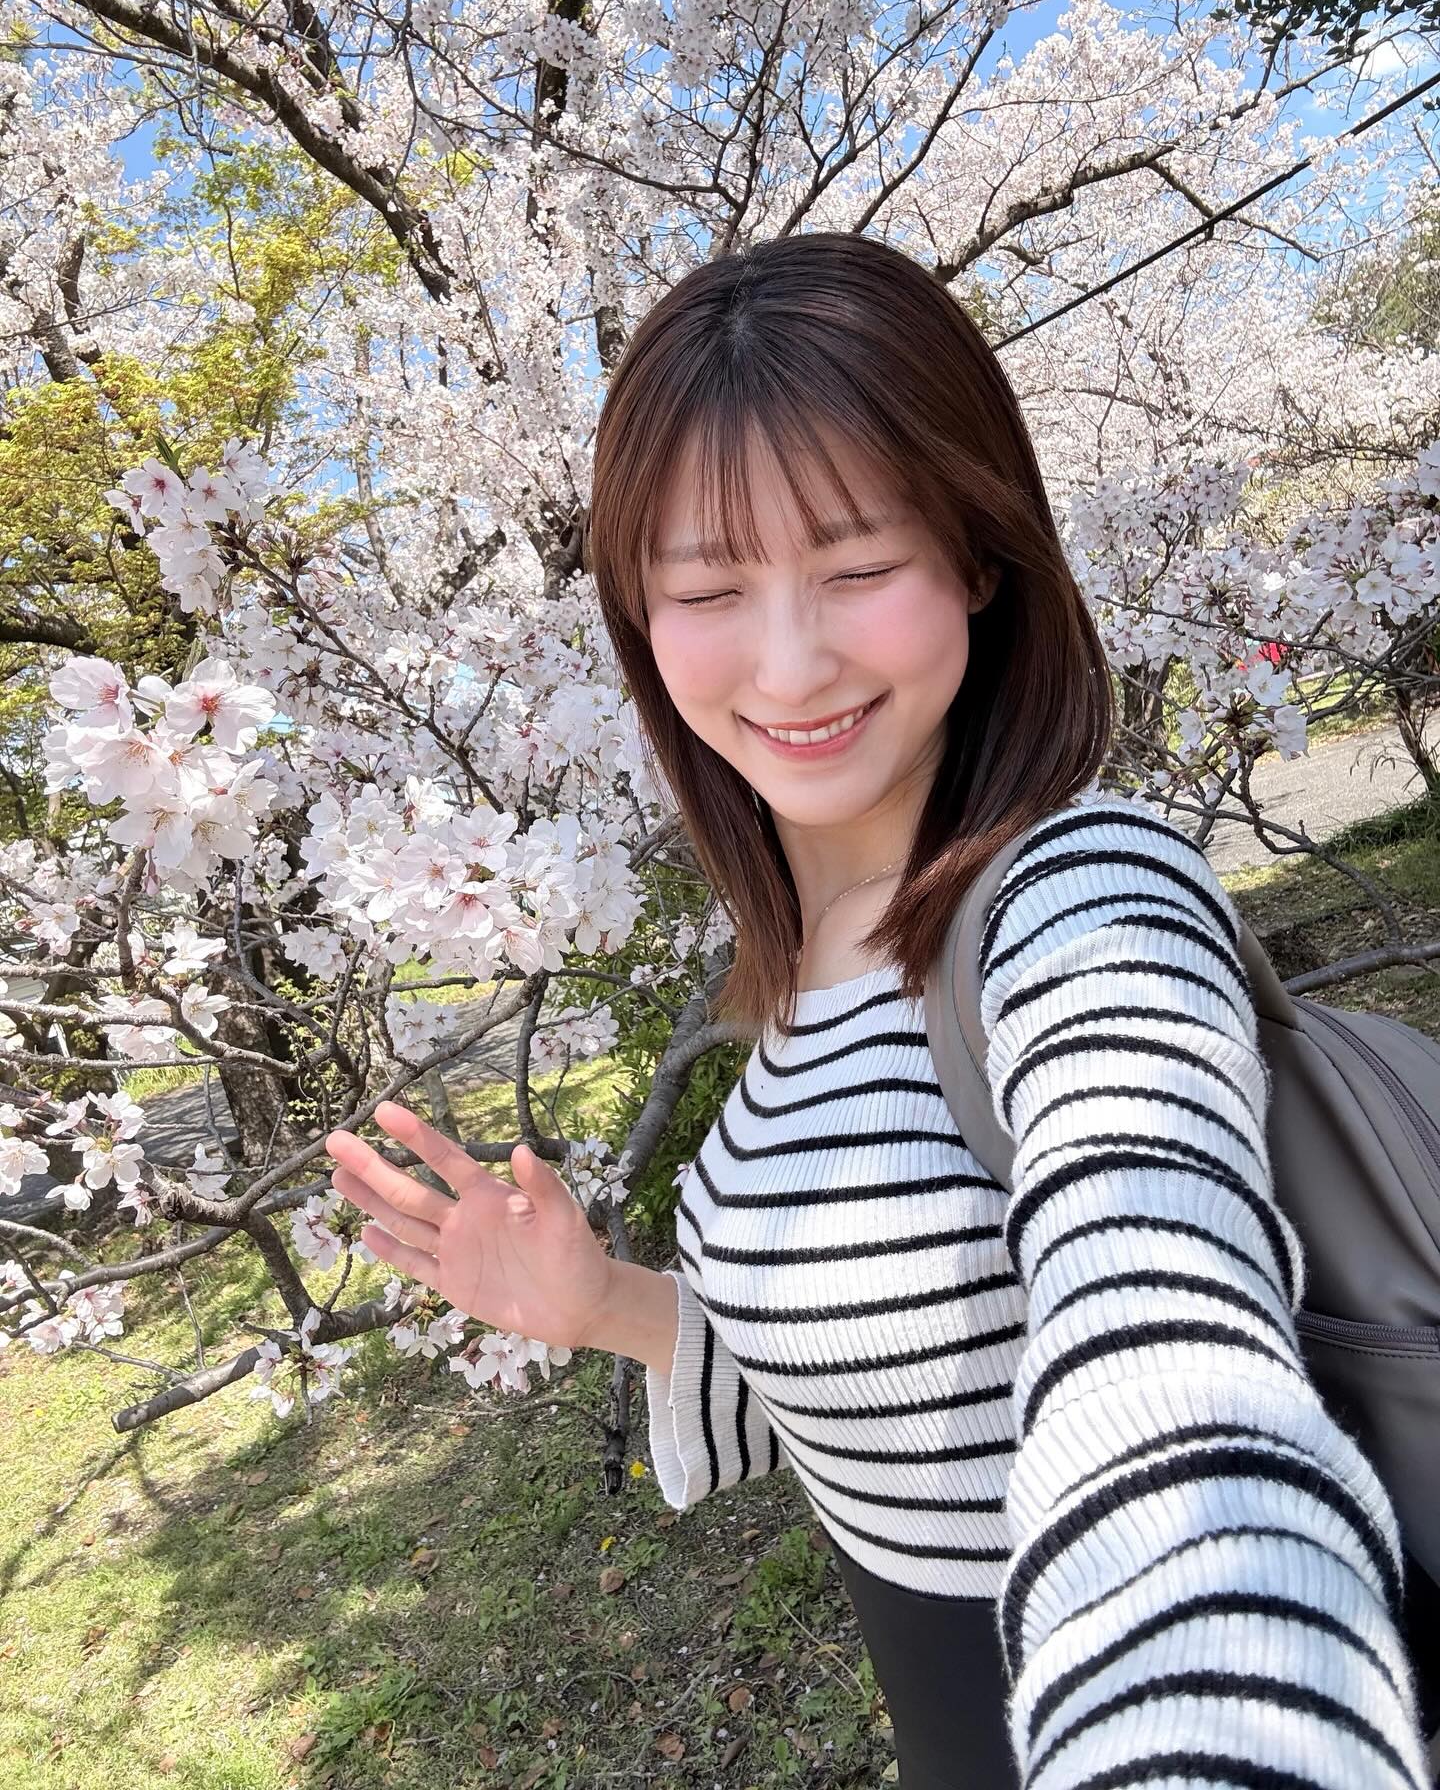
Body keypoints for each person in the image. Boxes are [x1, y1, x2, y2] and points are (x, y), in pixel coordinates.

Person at [324, 232, 1436, 1788]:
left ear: (978, 556)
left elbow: (1163, 1311)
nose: (791, 665)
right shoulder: (803, 959)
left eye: (857, 569)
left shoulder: (1081, 897)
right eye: (709, 587)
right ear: (641, 616)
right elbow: (907, 1382)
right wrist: (606, 1308)